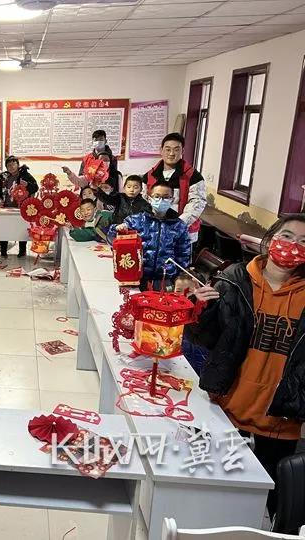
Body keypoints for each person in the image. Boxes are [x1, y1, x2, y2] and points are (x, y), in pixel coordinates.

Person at [186, 214, 305, 516]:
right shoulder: (234, 279)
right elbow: (204, 338)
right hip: (226, 410)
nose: (293, 246)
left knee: (267, 508)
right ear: (271, 237)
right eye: (287, 236)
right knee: (208, 499)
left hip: (280, 422)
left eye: (304, 242)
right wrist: (198, 308)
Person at [112, 182, 191, 289]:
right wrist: (116, 229)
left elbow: (183, 255)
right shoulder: (135, 220)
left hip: (165, 279)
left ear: (172, 200)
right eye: (157, 196)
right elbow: (113, 241)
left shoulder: (179, 226)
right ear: (149, 199)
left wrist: (178, 278)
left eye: (166, 197)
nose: (161, 200)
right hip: (137, 277)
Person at [145, 132, 206, 243]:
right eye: (168, 149)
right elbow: (144, 200)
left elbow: (197, 202)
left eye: (176, 150)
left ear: (182, 151)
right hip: (154, 231)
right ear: (161, 150)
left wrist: (177, 224)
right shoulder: (150, 175)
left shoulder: (193, 176)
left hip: (183, 231)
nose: (171, 153)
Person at [0, 155, 39, 258]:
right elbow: (2, 191)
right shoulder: (4, 177)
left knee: (21, 229)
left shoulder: (24, 175)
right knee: (4, 229)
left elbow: (35, 187)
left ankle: (22, 251)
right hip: (7, 207)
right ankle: (3, 250)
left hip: (21, 207)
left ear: (18, 165)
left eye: (13, 164)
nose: (11, 166)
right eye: (9, 165)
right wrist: (1, 199)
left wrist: (27, 185)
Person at [173, 271, 209, 375]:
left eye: (188, 292)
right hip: (177, 362)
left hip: (199, 361)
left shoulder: (204, 314)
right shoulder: (172, 311)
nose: (182, 295)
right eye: (178, 291)